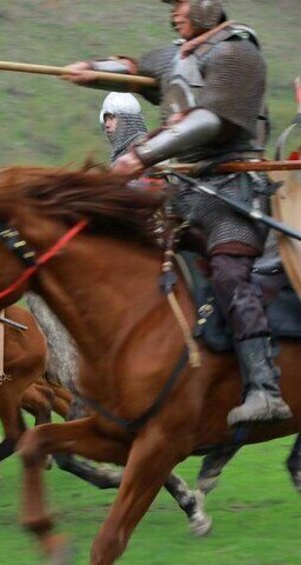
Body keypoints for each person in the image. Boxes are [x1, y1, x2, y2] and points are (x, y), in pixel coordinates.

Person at [63, 0, 292, 426]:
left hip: (234, 193)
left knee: (228, 273)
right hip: (185, 189)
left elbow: (209, 120)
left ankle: (264, 387)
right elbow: (137, 71)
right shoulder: (177, 55)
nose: (175, 13)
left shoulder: (237, 52)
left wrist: (143, 155)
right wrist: (93, 71)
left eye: (183, 5)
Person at [99, 92, 148, 163]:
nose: (107, 125)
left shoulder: (146, 146)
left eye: (111, 118)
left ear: (127, 121)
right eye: (105, 120)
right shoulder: (121, 152)